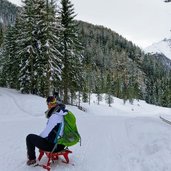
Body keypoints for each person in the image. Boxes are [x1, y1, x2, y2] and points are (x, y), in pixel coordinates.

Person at [26, 96, 68, 166]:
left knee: (29, 137)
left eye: (51, 103)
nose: (49, 105)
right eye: (49, 103)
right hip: (61, 144)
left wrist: (38, 140)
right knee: (40, 138)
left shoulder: (55, 116)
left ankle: (32, 159)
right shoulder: (61, 113)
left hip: (54, 146)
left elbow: (45, 133)